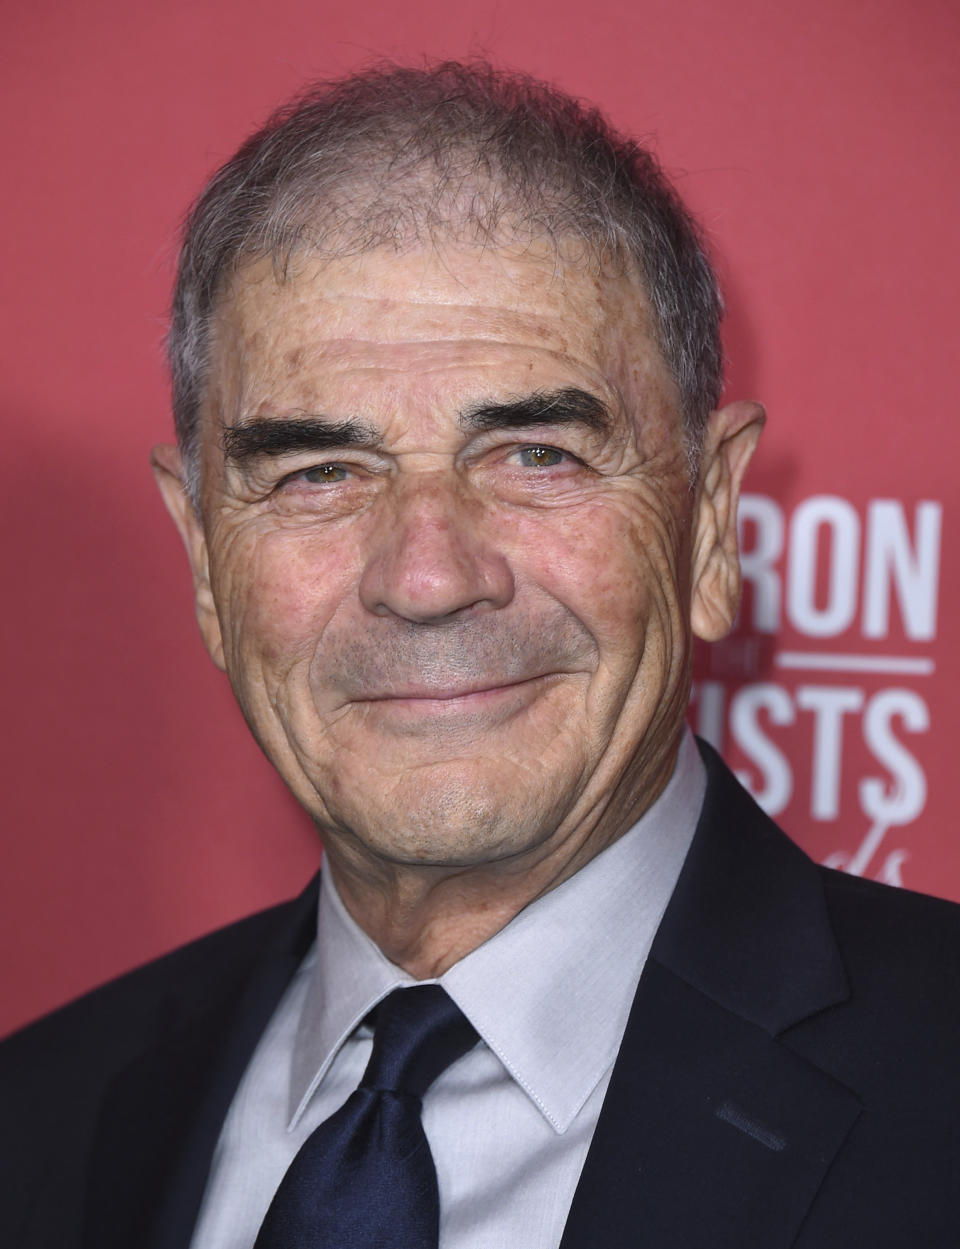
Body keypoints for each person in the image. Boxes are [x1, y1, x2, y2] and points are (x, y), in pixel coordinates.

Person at [2, 61, 959, 1249]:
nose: (428, 575)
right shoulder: (35, 1123)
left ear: (709, 518)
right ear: (203, 555)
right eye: (317, 473)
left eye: (536, 453)